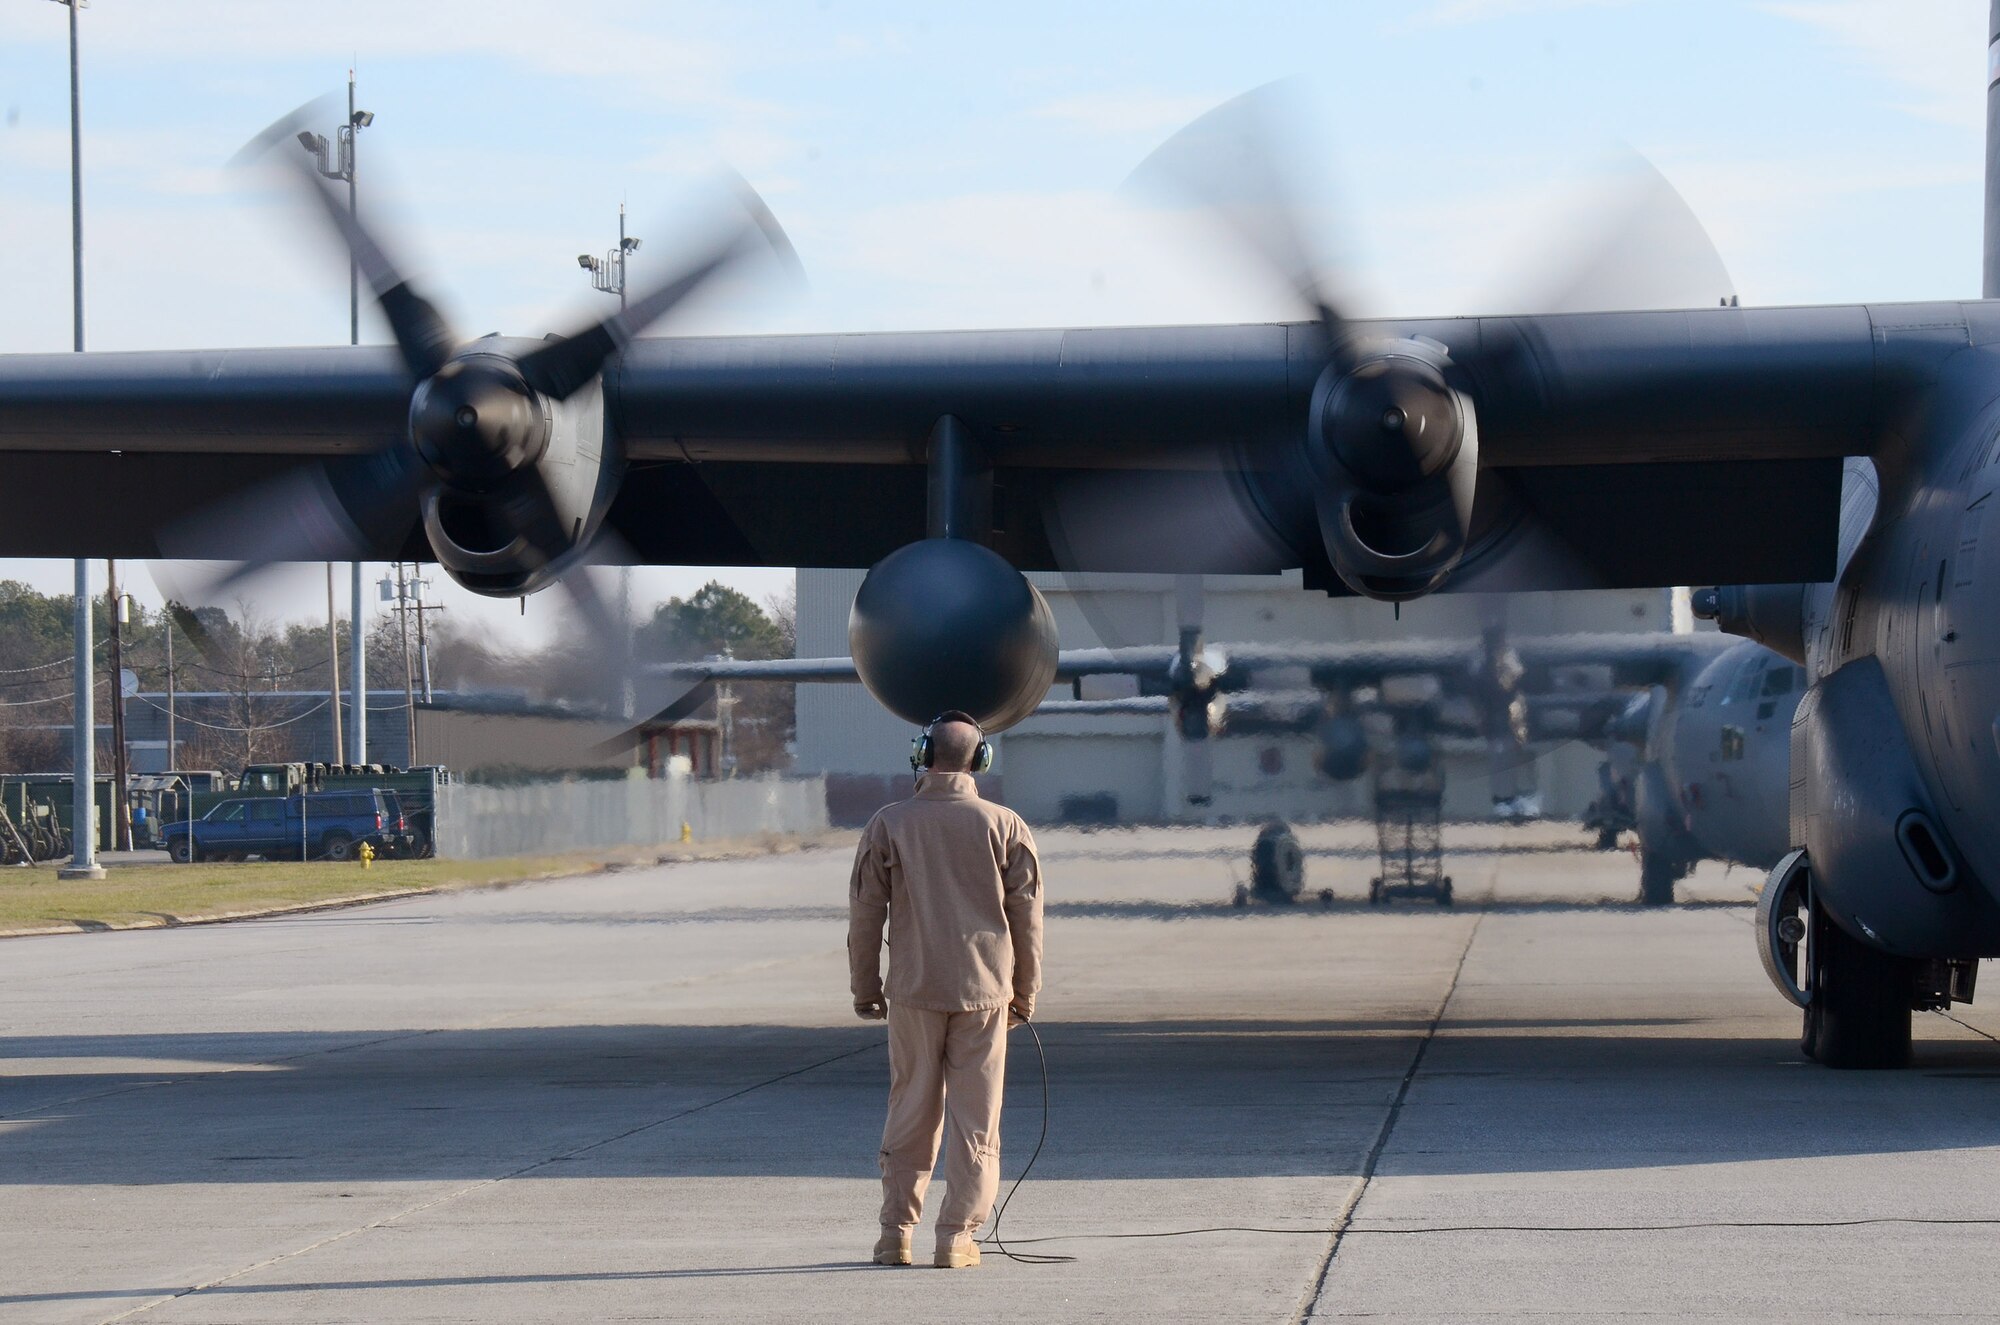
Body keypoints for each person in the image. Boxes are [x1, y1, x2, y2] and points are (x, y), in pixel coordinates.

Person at [849, 710, 1043, 1270]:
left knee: (910, 1106)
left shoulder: (888, 824)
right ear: (980, 759)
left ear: (922, 754)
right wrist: (1025, 991)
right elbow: (1026, 918)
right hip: (985, 993)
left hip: (912, 991)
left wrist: (866, 987)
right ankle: (957, 1236)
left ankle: (895, 1234)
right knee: (976, 1117)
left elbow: (866, 914)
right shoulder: (1006, 826)